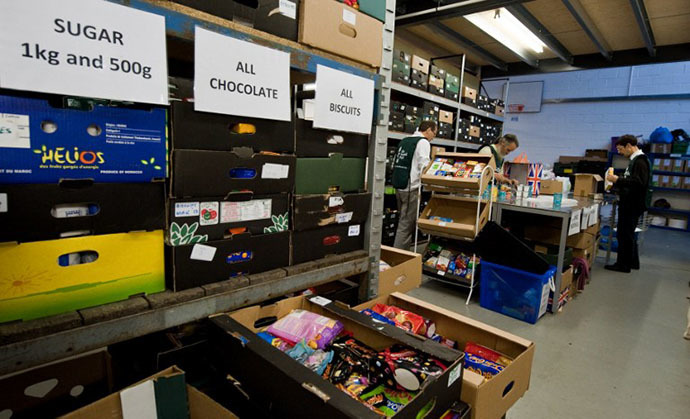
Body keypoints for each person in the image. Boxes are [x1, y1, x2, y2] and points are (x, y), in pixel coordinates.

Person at [605, 135, 650, 273]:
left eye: (621, 149)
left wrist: (617, 179)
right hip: (631, 203)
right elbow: (632, 180)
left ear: (629, 146)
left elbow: (638, 183)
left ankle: (623, 265)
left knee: (624, 234)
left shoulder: (640, 161)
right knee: (628, 234)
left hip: (632, 204)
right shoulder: (635, 161)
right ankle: (632, 262)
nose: (619, 152)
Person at [391, 120, 437, 250]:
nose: (434, 136)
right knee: (406, 226)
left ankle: (402, 252)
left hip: (399, 187)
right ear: (428, 130)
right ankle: (399, 257)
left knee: (402, 221)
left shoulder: (405, 140)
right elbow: (424, 166)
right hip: (411, 188)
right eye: (434, 132)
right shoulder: (423, 143)